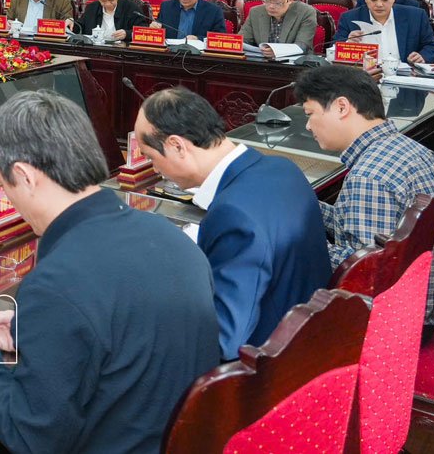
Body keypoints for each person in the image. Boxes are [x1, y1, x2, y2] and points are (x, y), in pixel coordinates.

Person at [0, 91, 218, 453]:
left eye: (3, 184)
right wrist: (32, 329)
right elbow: (119, 334)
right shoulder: (170, 236)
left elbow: (31, 437)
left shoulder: (56, 286)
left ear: (24, 176)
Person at [135, 89, 330, 359]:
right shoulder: (283, 168)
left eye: (150, 156)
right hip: (309, 338)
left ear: (177, 146)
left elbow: (223, 341)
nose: (152, 167)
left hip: (268, 366)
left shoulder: (233, 214)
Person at [295, 65, 434, 324]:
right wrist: (304, 203)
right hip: (431, 302)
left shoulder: (369, 176)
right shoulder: (410, 149)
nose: (308, 125)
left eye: (310, 113)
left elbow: (363, 279)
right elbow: (363, 228)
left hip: (401, 324)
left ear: (342, 107)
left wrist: (299, 240)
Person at [336, 0, 434, 65]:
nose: (379, 4)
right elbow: (334, 46)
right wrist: (347, 43)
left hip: (405, 76)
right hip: (365, 77)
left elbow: (431, 45)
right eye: (373, 0)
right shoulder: (349, 18)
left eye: (385, 0)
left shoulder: (415, 16)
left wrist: (422, 56)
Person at [240, 0, 318, 56]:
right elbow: (242, 40)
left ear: (290, 0)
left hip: (295, 64)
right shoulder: (255, 12)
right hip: (262, 62)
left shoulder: (306, 12)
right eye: (267, 0)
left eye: (278, 2)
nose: (271, 6)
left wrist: (277, 51)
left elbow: (303, 45)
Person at [77, 0, 149, 41]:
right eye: (103, 1)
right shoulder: (92, 8)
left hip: (122, 52)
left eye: (111, 0)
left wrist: (127, 34)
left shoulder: (131, 8)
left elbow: (143, 31)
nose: (107, 4)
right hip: (96, 51)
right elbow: (79, 27)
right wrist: (70, 24)